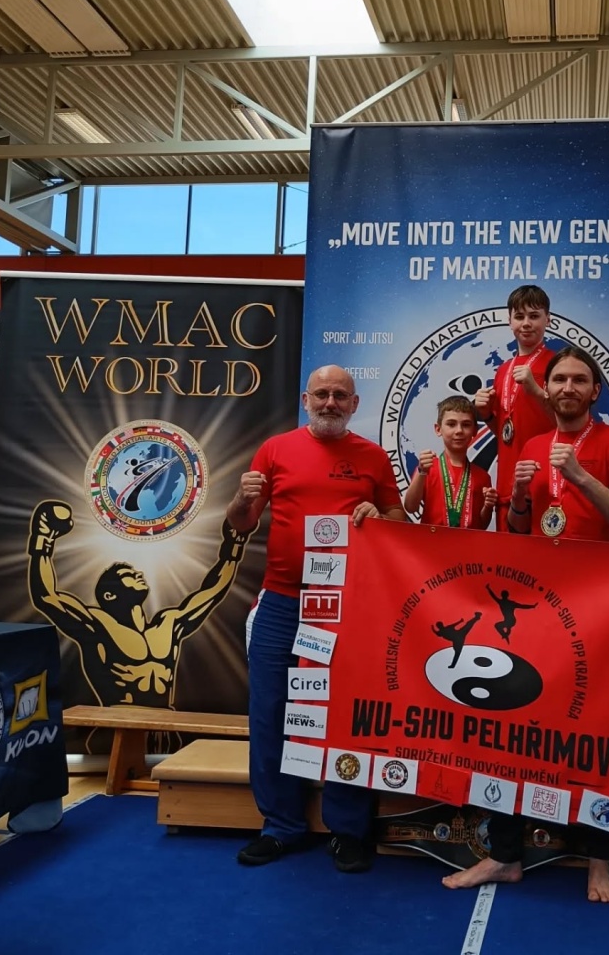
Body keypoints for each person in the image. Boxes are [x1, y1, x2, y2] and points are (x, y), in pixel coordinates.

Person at [443, 345, 609, 903]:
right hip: (538, 609)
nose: (567, 388)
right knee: (510, 726)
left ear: (595, 391)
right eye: (559, 379)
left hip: (602, 612)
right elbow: (520, 530)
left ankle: (599, 860)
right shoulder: (532, 445)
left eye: (579, 380)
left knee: (599, 733)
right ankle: (505, 854)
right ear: (547, 388)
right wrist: (517, 499)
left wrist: (578, 475)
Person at [227, 365, 406, 872]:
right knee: (270, 712)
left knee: (347, 717)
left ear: (355, 404)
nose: (330, 403)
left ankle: (348, 831)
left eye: (340, 396)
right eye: (322, 394)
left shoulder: (373, 456)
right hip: (282, 602)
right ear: (306, 399)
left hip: (348, 607)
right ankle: (281, 827)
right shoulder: (275, 449)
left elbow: (399, 521)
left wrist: (379, 516)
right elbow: (240, 523)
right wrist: (241, 498)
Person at [27, 499, 250, 708]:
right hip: (115, 726)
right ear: (109, 595)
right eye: (127, 574)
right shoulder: (98, 625)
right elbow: (48, 596)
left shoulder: (168, 623)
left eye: (136, 572)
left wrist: (234, 545)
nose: (138, 574)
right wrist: (43, 539)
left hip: (164, 728)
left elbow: (211, 592)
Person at [474, 286, 555, 529]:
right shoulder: (503, 370)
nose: (526, 323)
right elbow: (505, 432)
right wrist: (486, 414)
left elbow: (568, 421)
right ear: (509, 321)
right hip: (508, 484)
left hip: (546, 481)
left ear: (548, 319)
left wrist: (537, 391)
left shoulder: (557, 365)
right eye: (519, 316)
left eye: (534, 316)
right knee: (509, 553)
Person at [403, 395, 497, 528]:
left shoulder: (483, 477)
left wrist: (488, 507)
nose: (459, 431)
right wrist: (421, 472)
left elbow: (482, 525)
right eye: (451, 424)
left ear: (475, 430)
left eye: (466, 425)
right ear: (438, 429)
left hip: (467, 541)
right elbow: (410, 507)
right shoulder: (427, 468)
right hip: (431, 540)